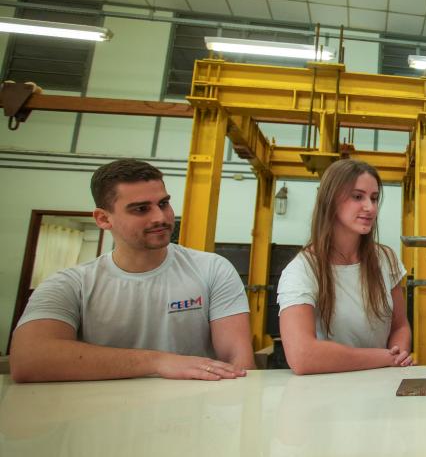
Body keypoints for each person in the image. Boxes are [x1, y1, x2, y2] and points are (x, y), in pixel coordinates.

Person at [10, 159, 255, 383]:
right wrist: (158, 362)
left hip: (195, 416)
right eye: (141, 209)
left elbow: (239, 361)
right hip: (98, 419)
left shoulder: (212, 269)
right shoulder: (71, 285)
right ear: (104, 219)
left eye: (163, 203)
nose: (160, 217)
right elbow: (28, 359)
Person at [277, 158, 412, 374]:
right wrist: (384, 358)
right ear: (330, 200)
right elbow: (302, 356)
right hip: (326, 393)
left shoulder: (386, 259)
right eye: (357, 197)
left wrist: (397, 360)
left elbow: (400, 326)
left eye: (374, 198)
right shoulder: (301, 270)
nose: (370, 207)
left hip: (381, 384)